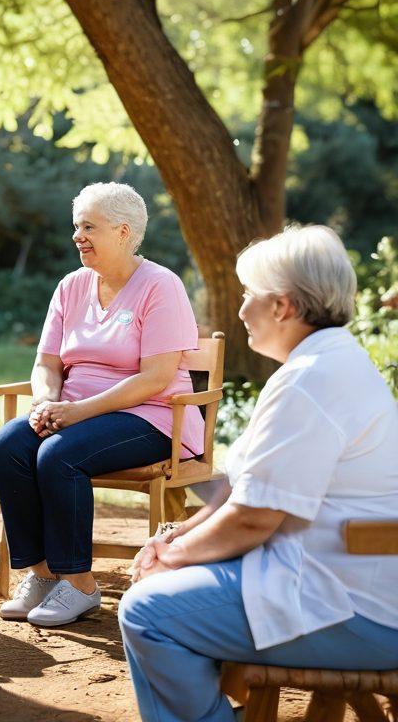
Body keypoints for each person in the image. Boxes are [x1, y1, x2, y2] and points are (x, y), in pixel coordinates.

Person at [119, 225, 398, 722]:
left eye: (249, 294)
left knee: (148, 613)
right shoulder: (324, 363)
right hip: (331, 580)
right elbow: (239, 489)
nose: (241, 307)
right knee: (157, 590)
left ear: (283, 306)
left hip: (353, 606)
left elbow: (256, 517)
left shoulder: (312, 380)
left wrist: (173, 558)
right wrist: (175, 538)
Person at [0, 182, 202, 627]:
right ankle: (43, 575)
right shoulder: (71, 286)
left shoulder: (161, 286)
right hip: (74, 413)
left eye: (89, 227)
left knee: (60, 454)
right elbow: (47, 361)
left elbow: (157, 378)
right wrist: (47, 400)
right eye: (76, 226)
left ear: (124, 232)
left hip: (153, 416)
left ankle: (81, 585)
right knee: (6, 446)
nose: (77, 236)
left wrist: (77, 412)